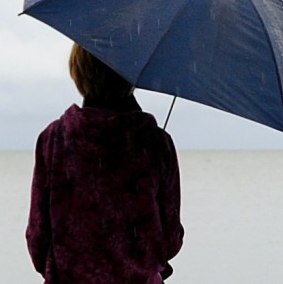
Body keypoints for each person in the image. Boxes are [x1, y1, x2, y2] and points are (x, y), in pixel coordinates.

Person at [26, 44, 184, 284]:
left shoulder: (53, 139)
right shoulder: (157, 144)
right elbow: (170, 239)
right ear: (131, 75)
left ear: (79, 71)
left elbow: (38, 240)